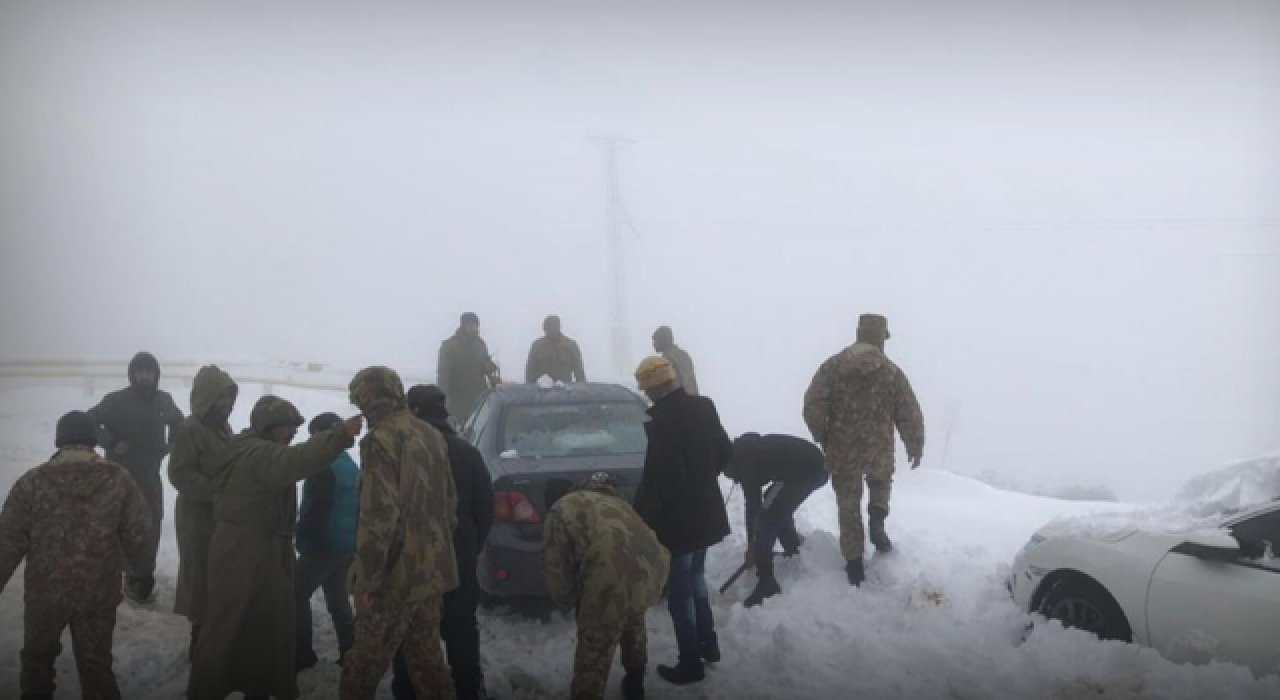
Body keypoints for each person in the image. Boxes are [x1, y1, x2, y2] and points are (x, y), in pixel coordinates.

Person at [187, 397, 361, 700]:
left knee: (260, 626)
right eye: (287, 428)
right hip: (249, 552)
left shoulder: (244, 447)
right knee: (228, 629)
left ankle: (256, 686)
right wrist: (338, 435)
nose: (292, 434)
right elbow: (297, 461)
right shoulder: (259, 456)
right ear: (269, 427)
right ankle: (210, 689)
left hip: (249, 550)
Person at [0, 410, 155, 700]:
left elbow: (6, 540)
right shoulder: (119, 479)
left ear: (60, 441)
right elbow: (140, 534)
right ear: (92, 442)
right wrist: (139, 569)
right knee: (97, 668)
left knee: (37, 664)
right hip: (98, 592)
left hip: (45, 594)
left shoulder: (32, 482)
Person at [341, 367, 459, 700]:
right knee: (429, 665)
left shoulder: (381, 440)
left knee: (360, 671)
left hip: (393, 578)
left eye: (360, 400)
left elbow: (378, 517)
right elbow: (450, 503)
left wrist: (366, 580)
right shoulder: (431, 434)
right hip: (430, 571)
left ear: (370, 398)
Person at [802, 313, 925, 586]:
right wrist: (914, 444)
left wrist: (823, 434)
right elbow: (909, 412)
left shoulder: (831, 367)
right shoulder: (892, 372)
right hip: (879, 449)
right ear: (882, 338)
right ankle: (877, 523)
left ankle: (854, 564)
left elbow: (812, 405)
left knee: (848, 506)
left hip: (842, 451)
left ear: (858, 334)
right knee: (881, 482)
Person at [631, 356, 732, 685]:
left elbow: (662, 475)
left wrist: (642, 514)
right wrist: (704, 479)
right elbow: (725, 452)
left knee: (679, 591)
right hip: (705, 509)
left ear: (652, 389)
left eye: (645, 389)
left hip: (679, 519)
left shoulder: (663, 421)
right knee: (697, 578)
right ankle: (709, 645)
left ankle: (690, 662)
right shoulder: (704, 406)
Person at [392, 385, 494, 700]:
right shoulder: (467, 452)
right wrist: (469, 547)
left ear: (415, 412)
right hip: (458, 557)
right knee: (461, 628)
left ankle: (408, 689)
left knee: (410, 630)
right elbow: (484, 509)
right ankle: (468, 688)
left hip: (413, 561)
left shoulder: (402, 453)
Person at [542, 474, 669, 700]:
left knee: (594, 645)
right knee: (632, 615)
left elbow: (556, 568)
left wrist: (572, 599)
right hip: (653, 566)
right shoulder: (612, 501)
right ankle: (635, 681)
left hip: (610, 571)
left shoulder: (559, 510)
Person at [86, 351, 183, 602]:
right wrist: (110, 441)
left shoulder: (163, 400)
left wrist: (170, 445)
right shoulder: (116, 401)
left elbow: (179, 421)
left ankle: (142, 577)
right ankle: (118, 577)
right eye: (140, 372)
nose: (144, 376)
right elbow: (89, 421)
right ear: (132, 374)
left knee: (151, 527)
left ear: (156, 375)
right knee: (120, 528)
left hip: (150, 477)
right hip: (119, 477)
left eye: (149, 372)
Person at [169, 364, 239, 661]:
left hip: (223, 517)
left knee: (223, 574)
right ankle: (199, 644)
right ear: (207, 397)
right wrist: (216, 492)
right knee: (200, 576)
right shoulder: (189, 429)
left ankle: (218, 637)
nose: (227, 404)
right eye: (221, 397)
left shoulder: (224, 429)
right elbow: (180, 474)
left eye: (229, 397)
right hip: (198, 517)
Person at [723, 433, 829, 607]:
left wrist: (752, 547)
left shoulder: (747, 464)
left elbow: (753, 508)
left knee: (768, 518)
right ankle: (791, 546)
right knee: (773, 504)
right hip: (803, 468)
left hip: (812, 472)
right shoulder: (745, 450)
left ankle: (767, 582)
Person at [294, 413, 361, 671]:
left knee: (295, 594)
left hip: (323, 544)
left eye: (314, 436)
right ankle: (350, 650)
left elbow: (316, 509)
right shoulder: (350, 464)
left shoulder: (323, 466)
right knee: (338, 599)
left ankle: (302, 653)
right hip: (346, 545)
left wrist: (301, 535)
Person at [437, 312, 501, 425]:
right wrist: (443, 400)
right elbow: (443, 375)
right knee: (458, 430)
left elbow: (484, 363)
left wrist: (490, 367)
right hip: (457, 399)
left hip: (478, 397)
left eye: (475, 325)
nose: (474, 328)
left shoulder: (480, 344)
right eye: (470, 325)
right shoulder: (449, 346)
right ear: (463, 326)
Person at [525, 315, 586, 384]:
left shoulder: (571, 346)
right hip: (542, 392)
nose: (553, 330)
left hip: (566, 392)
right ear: (544, 329)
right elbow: (530, 373)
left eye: (555, 327)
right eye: (550, 327)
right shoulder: (537, 346)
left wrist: (582, 390)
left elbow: (579, 373)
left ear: (559, 327)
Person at [652, 326, 699, 396]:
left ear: (663, 340)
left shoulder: (667, 359)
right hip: (693, 400)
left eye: (655, 340)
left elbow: (673, 385)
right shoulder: (683, 354)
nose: (654, 344)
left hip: (680, 401)